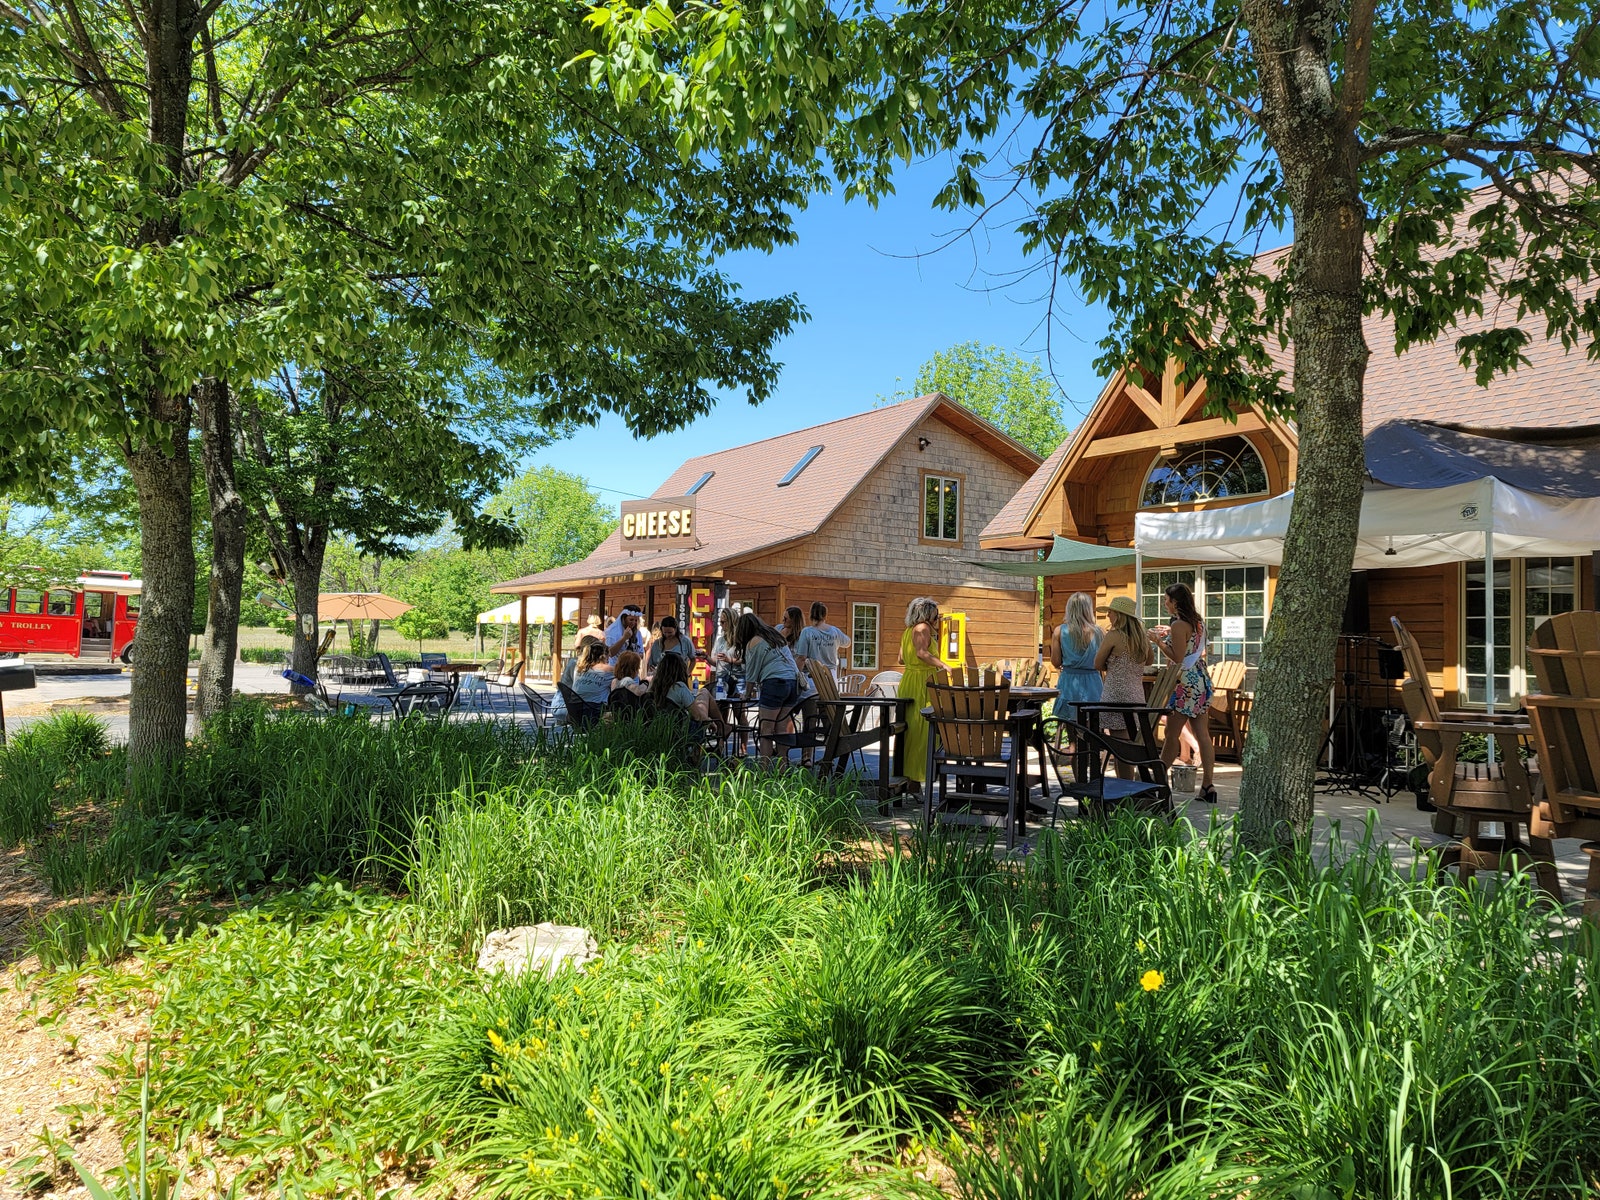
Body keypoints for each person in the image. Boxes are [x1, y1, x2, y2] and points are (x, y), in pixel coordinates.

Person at [1151, 582, 1217, 803]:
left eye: (1166, 599)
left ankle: (1158, 782)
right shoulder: (1198, 622)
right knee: (1203, 734)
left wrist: (1158, 642)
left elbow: (1177, 657)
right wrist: (1170, 631)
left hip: (1184, 683)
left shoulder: (1179, 625)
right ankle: (1208, 785)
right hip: (1200, 678)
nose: (1164, 602)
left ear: (1175, 602)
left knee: (1171, 734)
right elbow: (1191, 645)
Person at [1095, 595, 1155, 778]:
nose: (1108, 616)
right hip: (1136, 694)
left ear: (1119, 615)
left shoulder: (1113, 636)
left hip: (1115, 694)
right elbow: (1149, 660)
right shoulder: (1142, 638)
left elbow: (1097, 663)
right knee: (1129, 741)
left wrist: (1111, 664)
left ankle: (1126, 787)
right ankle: (1128, 783)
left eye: (1111, 612)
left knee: (1119, 744)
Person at [736, 610, 799, 759]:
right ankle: (783, 768)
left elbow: (751, 673)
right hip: (793, 683)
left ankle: (764, 771)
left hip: (774, 683)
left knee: (766, 728)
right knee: (781, 728)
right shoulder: (774, 635)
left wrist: (746, 694)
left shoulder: (753, 642)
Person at [897, 597, 943, 784]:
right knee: (923, 730)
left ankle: (909, 777)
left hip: (909, 679)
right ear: (926, 615)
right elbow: (921, 653)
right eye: (935, 615)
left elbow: (901, 659)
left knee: (910, 730)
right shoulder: (922, 628)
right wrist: (943, 666)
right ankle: (920, 775)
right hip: (922, 682)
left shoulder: (908, 631)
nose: (936, 619)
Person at [1051, 591, 1103, 721]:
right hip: (1093, 682)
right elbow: (1104, 662)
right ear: (1088, 609)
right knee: (1093, 724)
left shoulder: (1059, 631)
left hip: (1069, 681)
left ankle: (1073, 742)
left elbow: (1056, 662)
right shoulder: (1099, 632)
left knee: (1070, 724)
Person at [647, 652, 726, 732]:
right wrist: (709, 720)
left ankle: (723, 728)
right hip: (683, 732)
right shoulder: (679, 687)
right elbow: (697, 716)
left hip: (660, 729)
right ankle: (722, 728)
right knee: (704, 692)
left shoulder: (654, 687)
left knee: (703, 695)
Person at [794, 602, 851, 675]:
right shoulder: (834, 631)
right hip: (831, 675)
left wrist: (796, 675)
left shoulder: (807, 632)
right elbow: (848, 642)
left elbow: (802, 658)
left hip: (813, 676)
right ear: (825, 616)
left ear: (811, 615)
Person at [571, 642, 614, 707]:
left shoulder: (579, 668)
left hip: (575, 709)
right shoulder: (607, 669)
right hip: (595, 709)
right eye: (608, 656)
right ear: (604, 655)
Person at [710, 607, 742, 692]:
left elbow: (745, 660)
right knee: (720, 703)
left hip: (737, 678)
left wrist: (729, 660)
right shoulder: (720, 640)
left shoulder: (740, 640)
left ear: (731, 622)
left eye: (723, 622)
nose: (720, 624)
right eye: (720, 621)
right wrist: (706, 657)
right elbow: (715, 662)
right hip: (721, 678)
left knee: (739, 703)